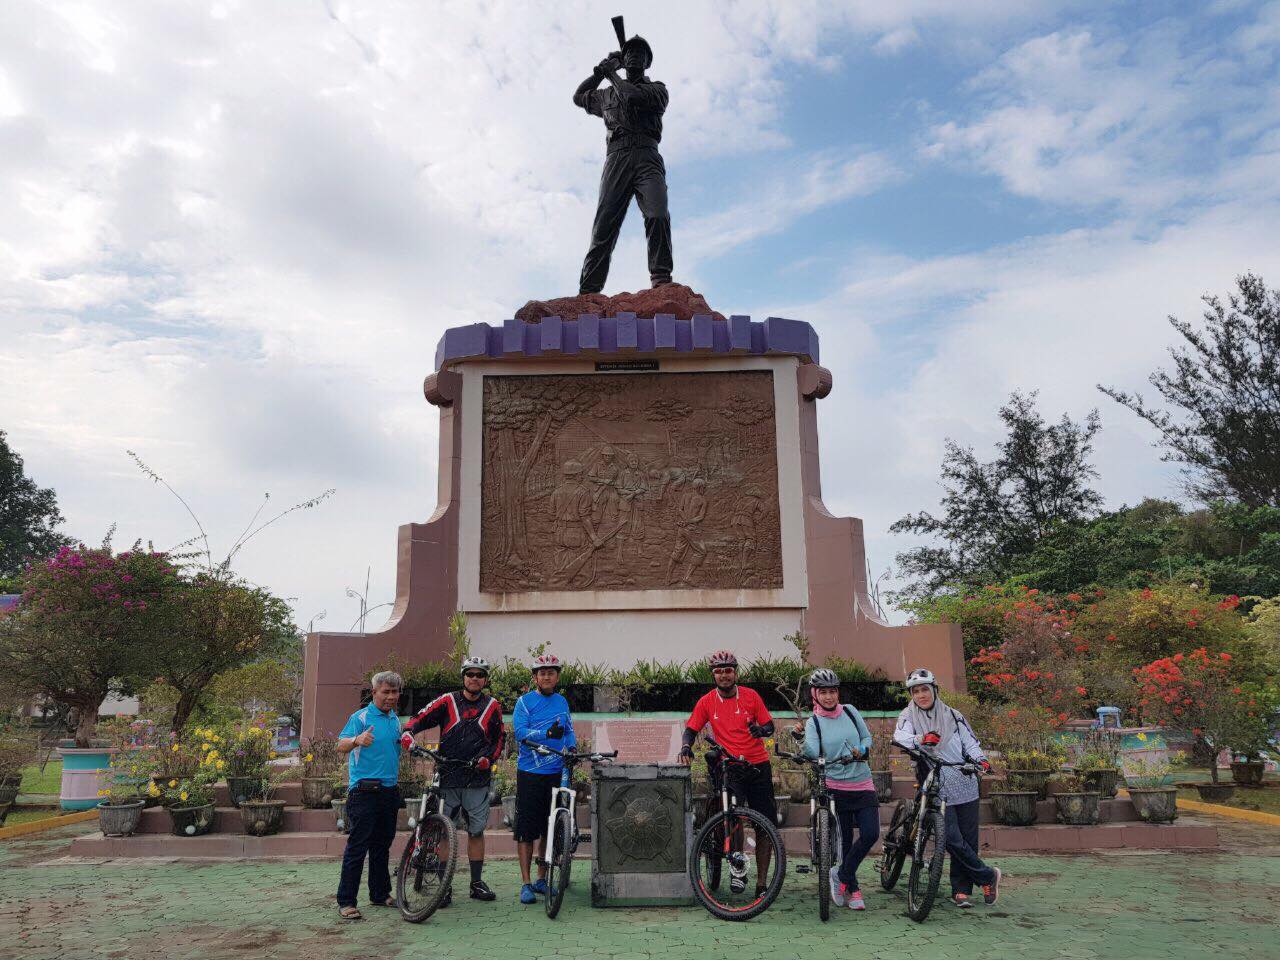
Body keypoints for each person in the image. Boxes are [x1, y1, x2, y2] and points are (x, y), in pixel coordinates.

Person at [892, 668, 1001, 908]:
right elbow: (899, 737)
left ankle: (961, 890)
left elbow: (970, 743)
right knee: (950, 838)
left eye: (925, 689)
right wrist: (921, 739)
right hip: (935, 781)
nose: (921, 695)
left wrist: (980, 760)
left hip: (964, 780)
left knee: (968, 840)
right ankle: (987, 876)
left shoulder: (953, 715)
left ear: (934, 690)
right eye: (916, 691)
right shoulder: (907, 716)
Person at [573, 35, 673, 294]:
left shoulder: (657, 89)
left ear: (648, 62)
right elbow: (579, 96)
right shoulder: (606, 95)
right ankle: (589, 292)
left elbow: (631, 98)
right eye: (629, 52)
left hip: (647, 155)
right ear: (623, 59)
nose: (634, 56)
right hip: (616, 157)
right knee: (604, 226)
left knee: (657, 214)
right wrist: (600, 71)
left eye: (641, 53)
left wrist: (612, 76)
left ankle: (661, 278)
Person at [399, 656, 503, 905]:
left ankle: (476, 883)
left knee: (476, 831)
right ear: (463, 677)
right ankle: (444, 886)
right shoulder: (447, 701)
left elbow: (499, 740)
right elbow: (419, 718)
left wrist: (489, 759)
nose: (475, 679)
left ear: (485, 679)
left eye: (479, 675)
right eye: (470, 674)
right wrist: (408, 733)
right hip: (448, 776)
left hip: (477, 778)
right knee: (446, 832)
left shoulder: (493, 706)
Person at [678, 650, 777, 897]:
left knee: (765, 826)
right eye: (719, 671)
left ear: (735, 673)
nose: (724, 675)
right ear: (713, 675)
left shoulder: (752, 697)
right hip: (730, 766)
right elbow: (691, 729)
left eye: (728, 670)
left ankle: (762, 885)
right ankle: (738, 869)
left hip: (757, 766)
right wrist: (685, 746)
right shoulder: (707, 701)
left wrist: (759, 731)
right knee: (732, 818)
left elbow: (769, 726)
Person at [791, 668, 879, 911]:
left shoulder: (850, 712)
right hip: (835, 787)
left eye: (832, 691)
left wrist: (861, 749)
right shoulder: (814, 722)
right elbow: (811, 751)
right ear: (814, 694)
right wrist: (799, 739)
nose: (829, 697)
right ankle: (853, 888)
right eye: (823, 692)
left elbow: (867, 738)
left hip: (862, 782)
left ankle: (839, 875)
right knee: (845, 842)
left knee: (871, 833)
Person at [334, 671, 404, 921]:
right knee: (357, 847)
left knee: (381, 847)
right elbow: (340, 745)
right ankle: (346, 901)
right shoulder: (360, 717)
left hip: (389, 791)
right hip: (364, 791)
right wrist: (356, 739)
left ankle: (379, 893)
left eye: (394, 692)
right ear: (373, 693)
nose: (391, 697)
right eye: (385, 692)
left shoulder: (395, 720)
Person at [512, 653, 577, 905]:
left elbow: (569, 731)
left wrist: (571, 749)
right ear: (535, 677)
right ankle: (526, 883)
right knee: (527, 831)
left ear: (557, 676)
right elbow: (519, 732)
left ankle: (541, 878)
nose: (547, 676)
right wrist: (545, 733)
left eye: (551, 672)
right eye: (542, 672)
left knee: (548, 828)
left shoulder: (562, 701)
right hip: (530, 773)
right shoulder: (525, 702)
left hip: (556, 772)